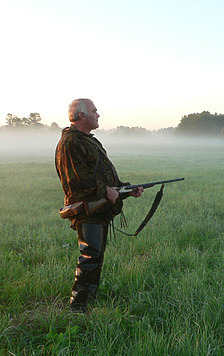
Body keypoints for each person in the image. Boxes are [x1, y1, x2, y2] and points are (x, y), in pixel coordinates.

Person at [55, 98, 143, 313]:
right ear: (81, 115)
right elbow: (75, 180)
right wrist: (105, 192)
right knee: (90, 257)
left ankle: (89, 300)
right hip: (86, 209)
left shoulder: (88, 140)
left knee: (96, 257)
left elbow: (103, 176)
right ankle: (77, 308)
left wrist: (125, 189)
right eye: (94, 111)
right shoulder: (70, 142)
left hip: (98, 207)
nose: (98, 114)